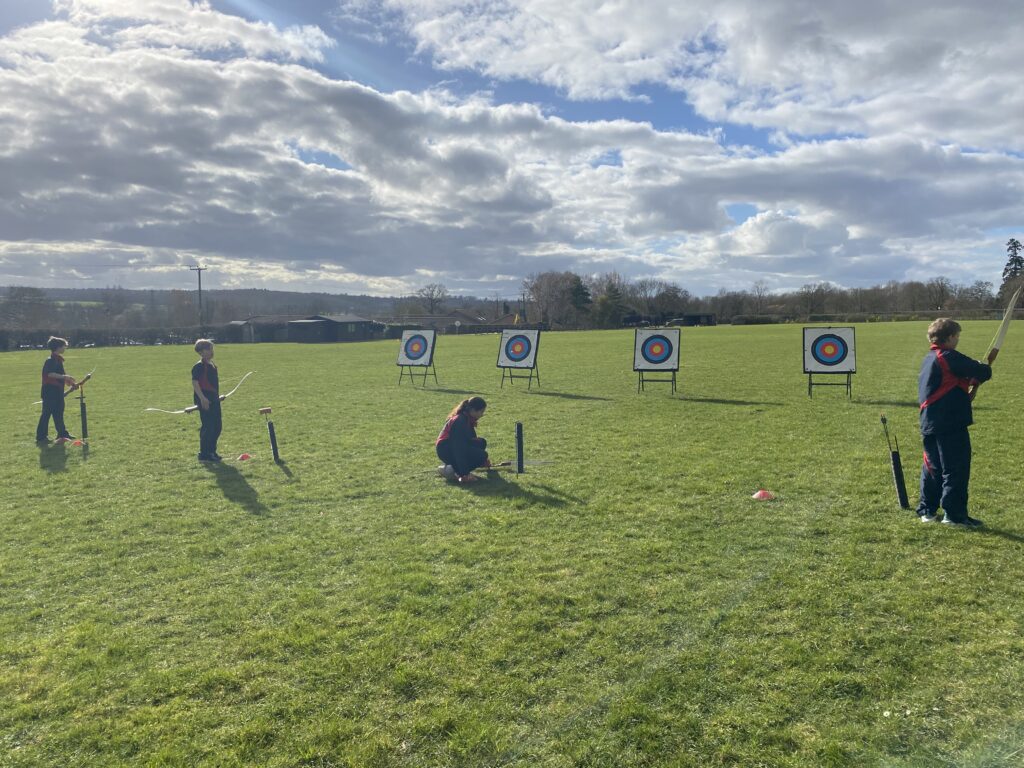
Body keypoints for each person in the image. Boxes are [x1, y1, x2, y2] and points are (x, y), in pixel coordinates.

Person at [916, 318, 992, 527]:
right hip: (949, 421)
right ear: (949, 337)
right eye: (956, 336)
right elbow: (983, 371)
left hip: (930, 421)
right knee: (955, 467)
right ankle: (954, 515)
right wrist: (979, 372)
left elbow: (952, 380)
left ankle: (927, 511)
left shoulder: (930, 357)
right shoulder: (948, 355)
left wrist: (969, 384)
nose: (957, 340)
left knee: (933, 467)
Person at [436, 396, 490, 483]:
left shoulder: (467, 418)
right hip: (445, 450)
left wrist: (483, 461)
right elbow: (458, 449)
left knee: (481, 442)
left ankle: (455, 467)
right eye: (481, 411)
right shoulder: (459, 421)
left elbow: (472, 439)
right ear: (472, 410)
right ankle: (452, 470)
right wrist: (465, 474)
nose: (482, 414)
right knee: (482, 455)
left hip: (454, 446)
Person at [36, 336, 77, 443]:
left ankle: (62, 434)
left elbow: (61, 375)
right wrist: (66, 377)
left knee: (59, 413)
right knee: (46, 414)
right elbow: (50, 374)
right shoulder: (50, 360)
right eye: (64, 346)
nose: (65, 348)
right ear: (58, 347)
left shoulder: (58, 360)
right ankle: (41, 437)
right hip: (49, 392)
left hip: (57, 391)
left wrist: (71, 383)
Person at [192, 339, 222, 462]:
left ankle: (212, 451)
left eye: (212, 349)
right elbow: (195, 383)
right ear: (201, 352)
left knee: (217, 426)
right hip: (205, 402)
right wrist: (202, 399)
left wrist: (217, 397)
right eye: (209, 349)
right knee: (208, 427)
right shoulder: (198, 366)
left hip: (214, 400)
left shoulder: (212, 365)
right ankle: (204, 454)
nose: (211, 351)